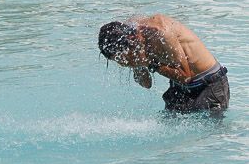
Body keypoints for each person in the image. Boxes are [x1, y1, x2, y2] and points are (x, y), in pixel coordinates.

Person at [98, 14, 229, 114]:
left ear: (130, 41)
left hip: (209, 85)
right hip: (179, 87)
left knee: (211, 136)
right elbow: (146, 84)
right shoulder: (130, 38)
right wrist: (137, 64)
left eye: (122, 58)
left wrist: (151, 64)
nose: (122, 64)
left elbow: (186, 76)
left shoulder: (160, 32)